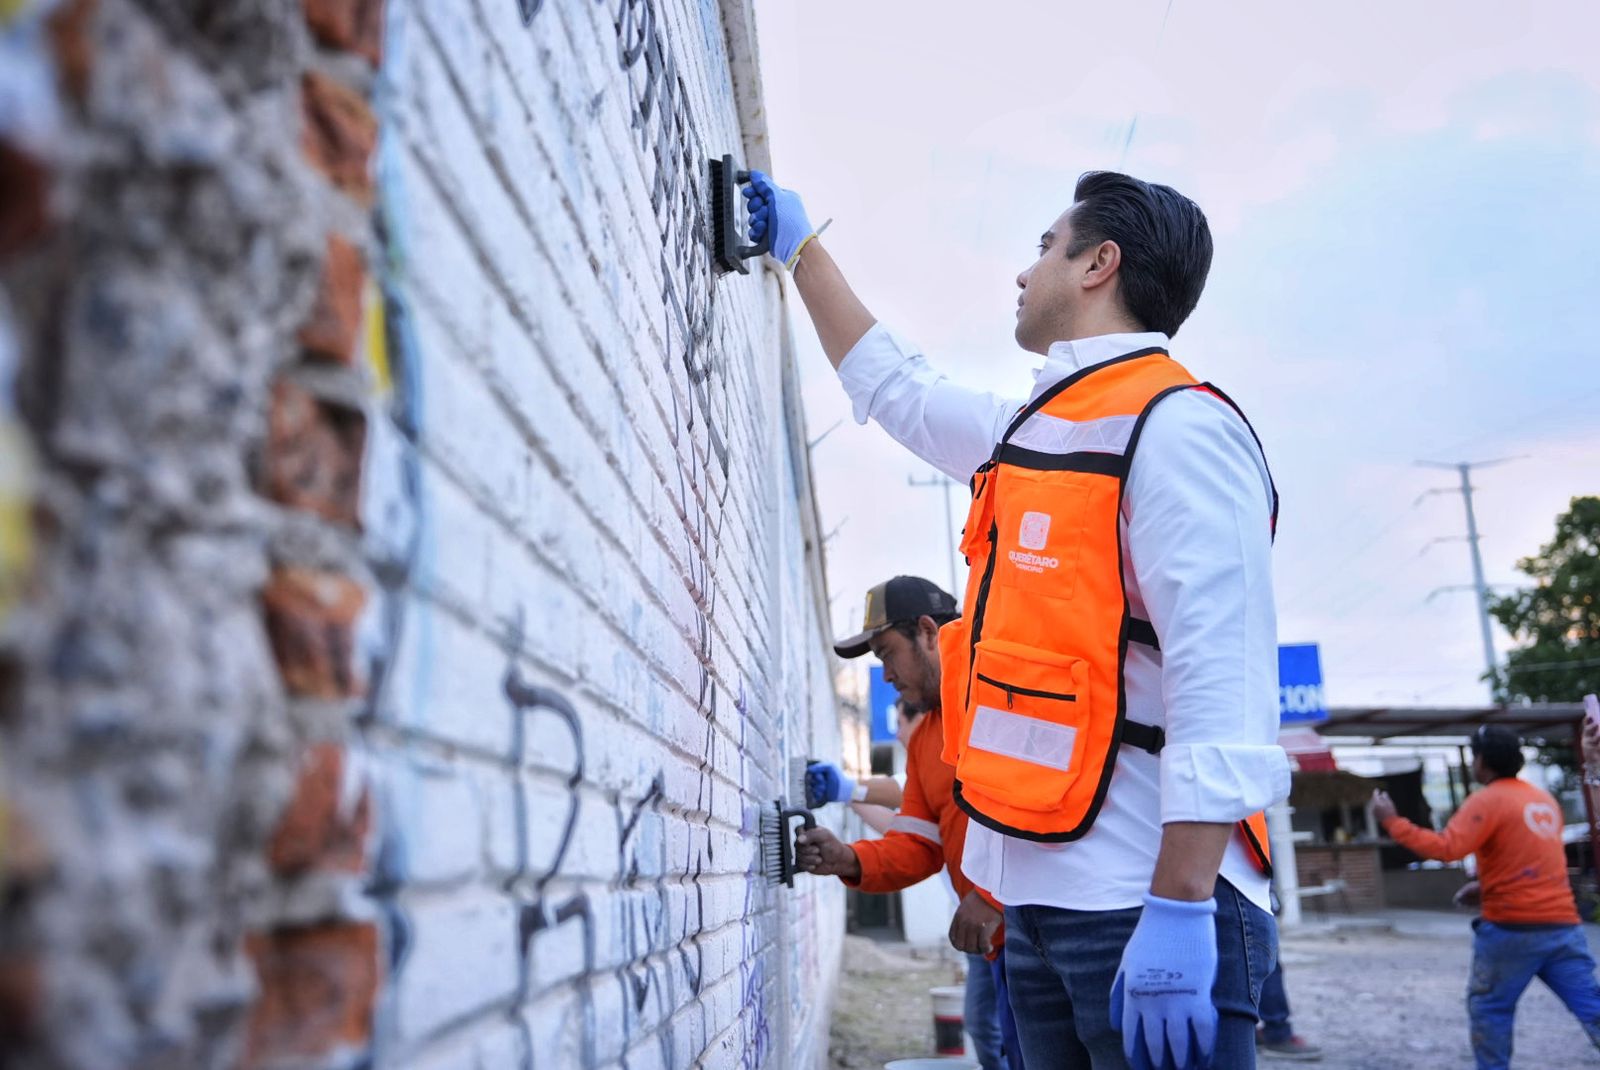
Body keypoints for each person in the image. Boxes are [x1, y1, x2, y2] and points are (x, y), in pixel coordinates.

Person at [749, 167, 1288, 1069]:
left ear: (1097, 265)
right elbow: (902, 391)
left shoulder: (1180, 429)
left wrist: (1182, 907)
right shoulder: (1036, 427)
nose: (1022, 271)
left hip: (1142, 906)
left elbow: (1223, 680)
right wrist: (800, 251)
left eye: (1045, 245)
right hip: (1037, 913)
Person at [797, 575, 1020, 1069]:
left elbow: (1050, 813)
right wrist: (848, 858)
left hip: (1050, 935)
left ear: (927, 631)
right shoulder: (926, 740)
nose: (887, 675)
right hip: (999, 949)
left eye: (886, 653)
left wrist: (992, 895)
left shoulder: (1006, 696)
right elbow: (918, 843)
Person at [1373, 724, 1600, 1069]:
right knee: (1592, 1008)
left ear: (1482, 761)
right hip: (1564, 929)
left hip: (1512, 932)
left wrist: (1392, 822)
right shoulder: (1542, 800)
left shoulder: (1487, 800)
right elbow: (1534, 862)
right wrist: (1485, 886)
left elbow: (1447, 848)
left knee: (1490, 1010)